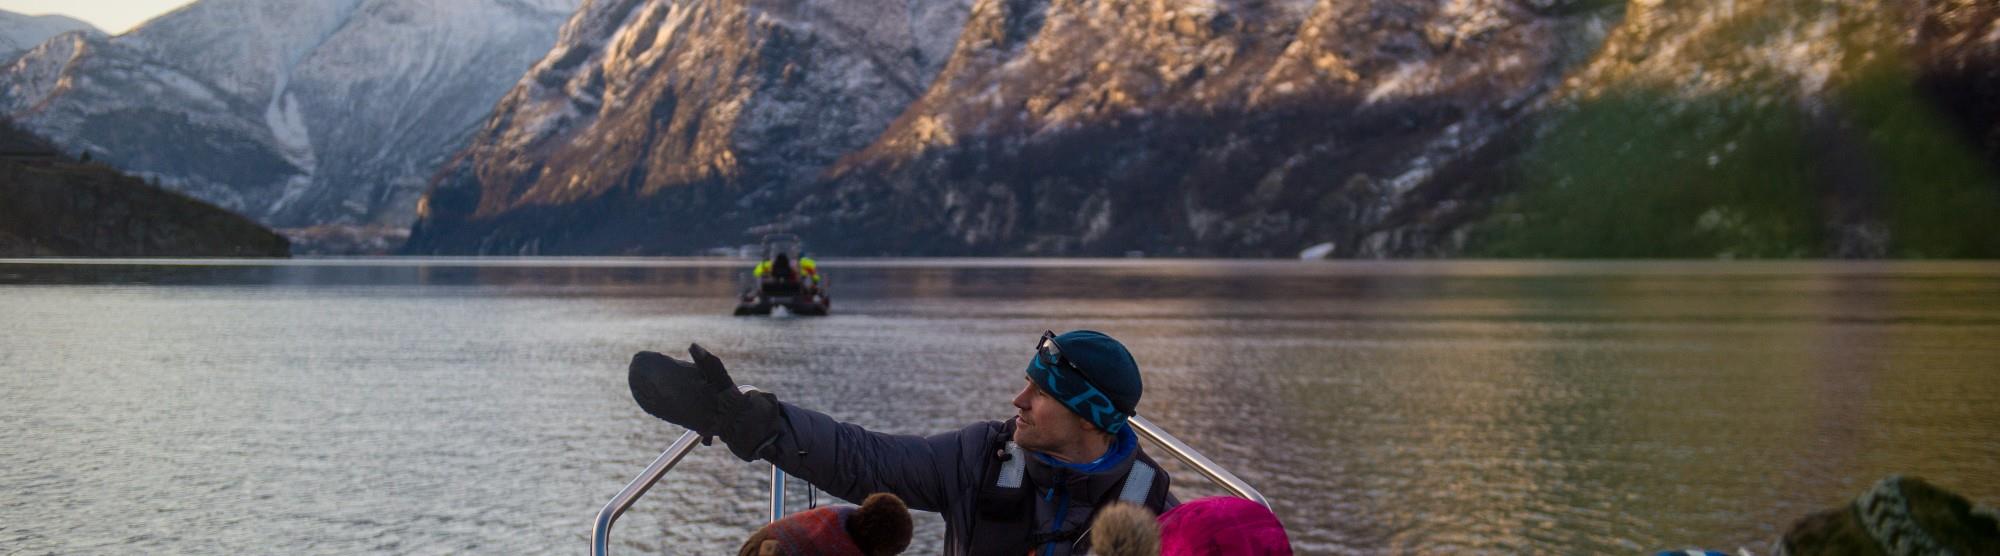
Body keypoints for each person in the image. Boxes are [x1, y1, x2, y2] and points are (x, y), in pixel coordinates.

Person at [628, 330, 1176, 556]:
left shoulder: (1157, 512)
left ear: (1089, 417)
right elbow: (863, 458)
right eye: (1026, 382)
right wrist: (753, 423)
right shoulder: (981, 457)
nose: (1018, 399)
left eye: (1041, 391)